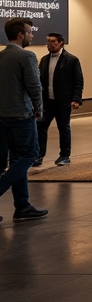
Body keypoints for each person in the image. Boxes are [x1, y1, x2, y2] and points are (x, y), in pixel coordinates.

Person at [1, 18, 47, 221]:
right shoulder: (27, 56)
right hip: (21, 116)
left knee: (14, 159)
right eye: (29, 32)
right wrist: (39, 108)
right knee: (30, 154)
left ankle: (22, 206)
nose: (31, 35)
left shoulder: (0, 56)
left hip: (1, 117)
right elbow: (34, 86)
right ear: (20, 35)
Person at [36, 32, 82, 167]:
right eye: (48, 42)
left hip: (63, 101)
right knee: (41, 127)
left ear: (61, 42)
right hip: (47, 102)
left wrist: (76, 99)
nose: (49, 44)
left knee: (64, 128)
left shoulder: (71, 60)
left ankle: (64, 156)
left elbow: (78, 81)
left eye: (53, 42)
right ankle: (39, 156)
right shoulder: (44, 59)